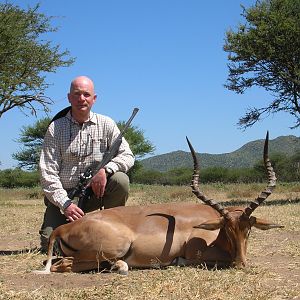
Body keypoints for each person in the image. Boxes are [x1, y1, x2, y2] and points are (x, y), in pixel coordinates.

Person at [39, 75, 135, 252]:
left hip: (96, 193)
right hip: (65, 199)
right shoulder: (55, 128)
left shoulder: (107, 124)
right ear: (69, 97)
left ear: (94, 98)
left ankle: (113, 229)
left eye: (86, 94)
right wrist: (66, 204)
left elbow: (128, 155)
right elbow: (47, 173)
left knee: (120, 180)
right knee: (51, 246)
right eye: (76, 94)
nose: (81, 99)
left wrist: (106, 170)